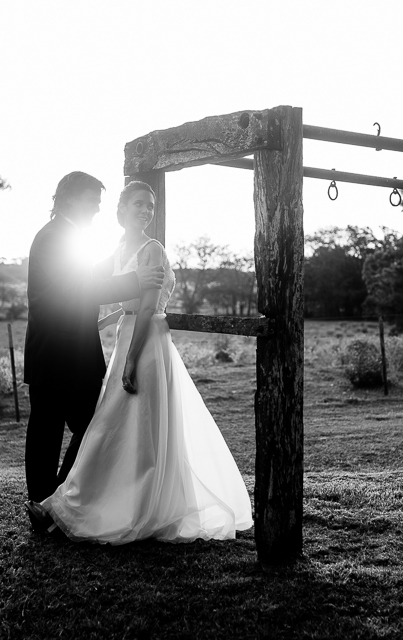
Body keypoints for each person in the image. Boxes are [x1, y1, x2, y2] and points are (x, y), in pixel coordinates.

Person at [38, 180, 253, 544]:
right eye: (138, 204)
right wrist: (102, 321)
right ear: (121, 211)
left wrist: (130, 361)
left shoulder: (152, 250)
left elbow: (149, 308)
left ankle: (130, 506)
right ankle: (74, 502)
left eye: (150, 206)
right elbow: (105, 291)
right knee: (113, 427)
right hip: (127, 336)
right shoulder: (120, 248)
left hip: (147, 343)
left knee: (127, 426)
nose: (145, 211)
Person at [22, 171, 164, 533]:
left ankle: (53, 504)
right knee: (50, 433)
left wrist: (128, 260)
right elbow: (77, 289)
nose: (98, 209)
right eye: (93, 201)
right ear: (70, 199)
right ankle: (45, 505)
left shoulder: (70, 237)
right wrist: (135, 281)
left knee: (90, 427)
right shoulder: (54, 237)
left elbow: (97, 275)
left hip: (76, 356)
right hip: (55, 354)